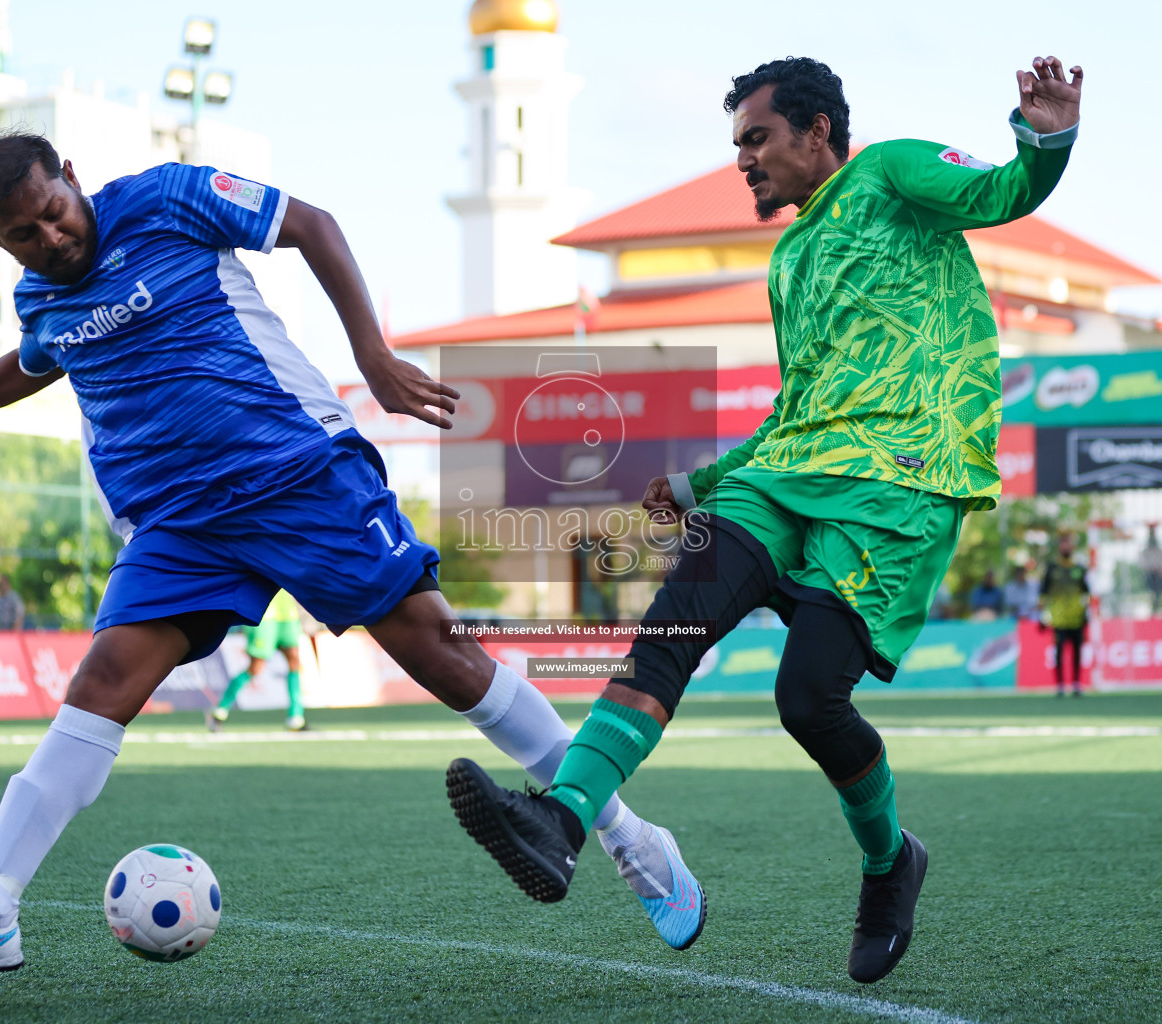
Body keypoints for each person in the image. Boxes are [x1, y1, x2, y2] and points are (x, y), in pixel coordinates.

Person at [0, 130, 703, 976]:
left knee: (438, 653)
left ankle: (631, 840)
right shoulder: (41, 297)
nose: (51, 237)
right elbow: (35, 362)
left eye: (54, 212)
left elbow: (313, 224)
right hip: (179, 522)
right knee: (100, 684)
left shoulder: (164, 197)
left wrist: (370, 355)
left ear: (71, 177)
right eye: (23, 233)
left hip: (295, 472)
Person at [445, 55, 1082, 984]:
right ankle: (562, 820)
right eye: (737, 143)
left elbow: (1004, 190)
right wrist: (706, 482)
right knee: (669, 631)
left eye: (757, 139)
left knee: (808, 701)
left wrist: (1048, 133)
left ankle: (889, 861)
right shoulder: (788, 259)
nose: (744, 159)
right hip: (783, 475)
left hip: (898, 483)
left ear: (817, 131)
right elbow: (799, 407)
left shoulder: (896, 169)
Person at [207, 590, 308, 731]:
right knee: (256, 667)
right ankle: (219, 710)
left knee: (294, 661)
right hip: (264, 613)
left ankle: (296, 717)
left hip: (286, 610)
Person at [1039, 532, 1090, 696]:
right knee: (1059, 652)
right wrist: (1042, 616)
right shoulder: (1052, 568)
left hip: (1077, 618)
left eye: (1070, 543)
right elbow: (1043, 593)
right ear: (1060, 546)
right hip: (1058, 619)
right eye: (1064, 543)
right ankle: (1060, 685)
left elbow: (1087, 593)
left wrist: (1087, 614)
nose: (1067, 546)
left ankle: (1076, 684)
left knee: (1077, 651)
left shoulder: (1079, 568)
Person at [1139, 525, 1162, 615]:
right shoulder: (1145, 552)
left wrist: (1160, 570)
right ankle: (1153, 610)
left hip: (1159, 577)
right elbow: (1143, 566)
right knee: (1152, 595)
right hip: (1151, 576)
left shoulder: (1160, 551)